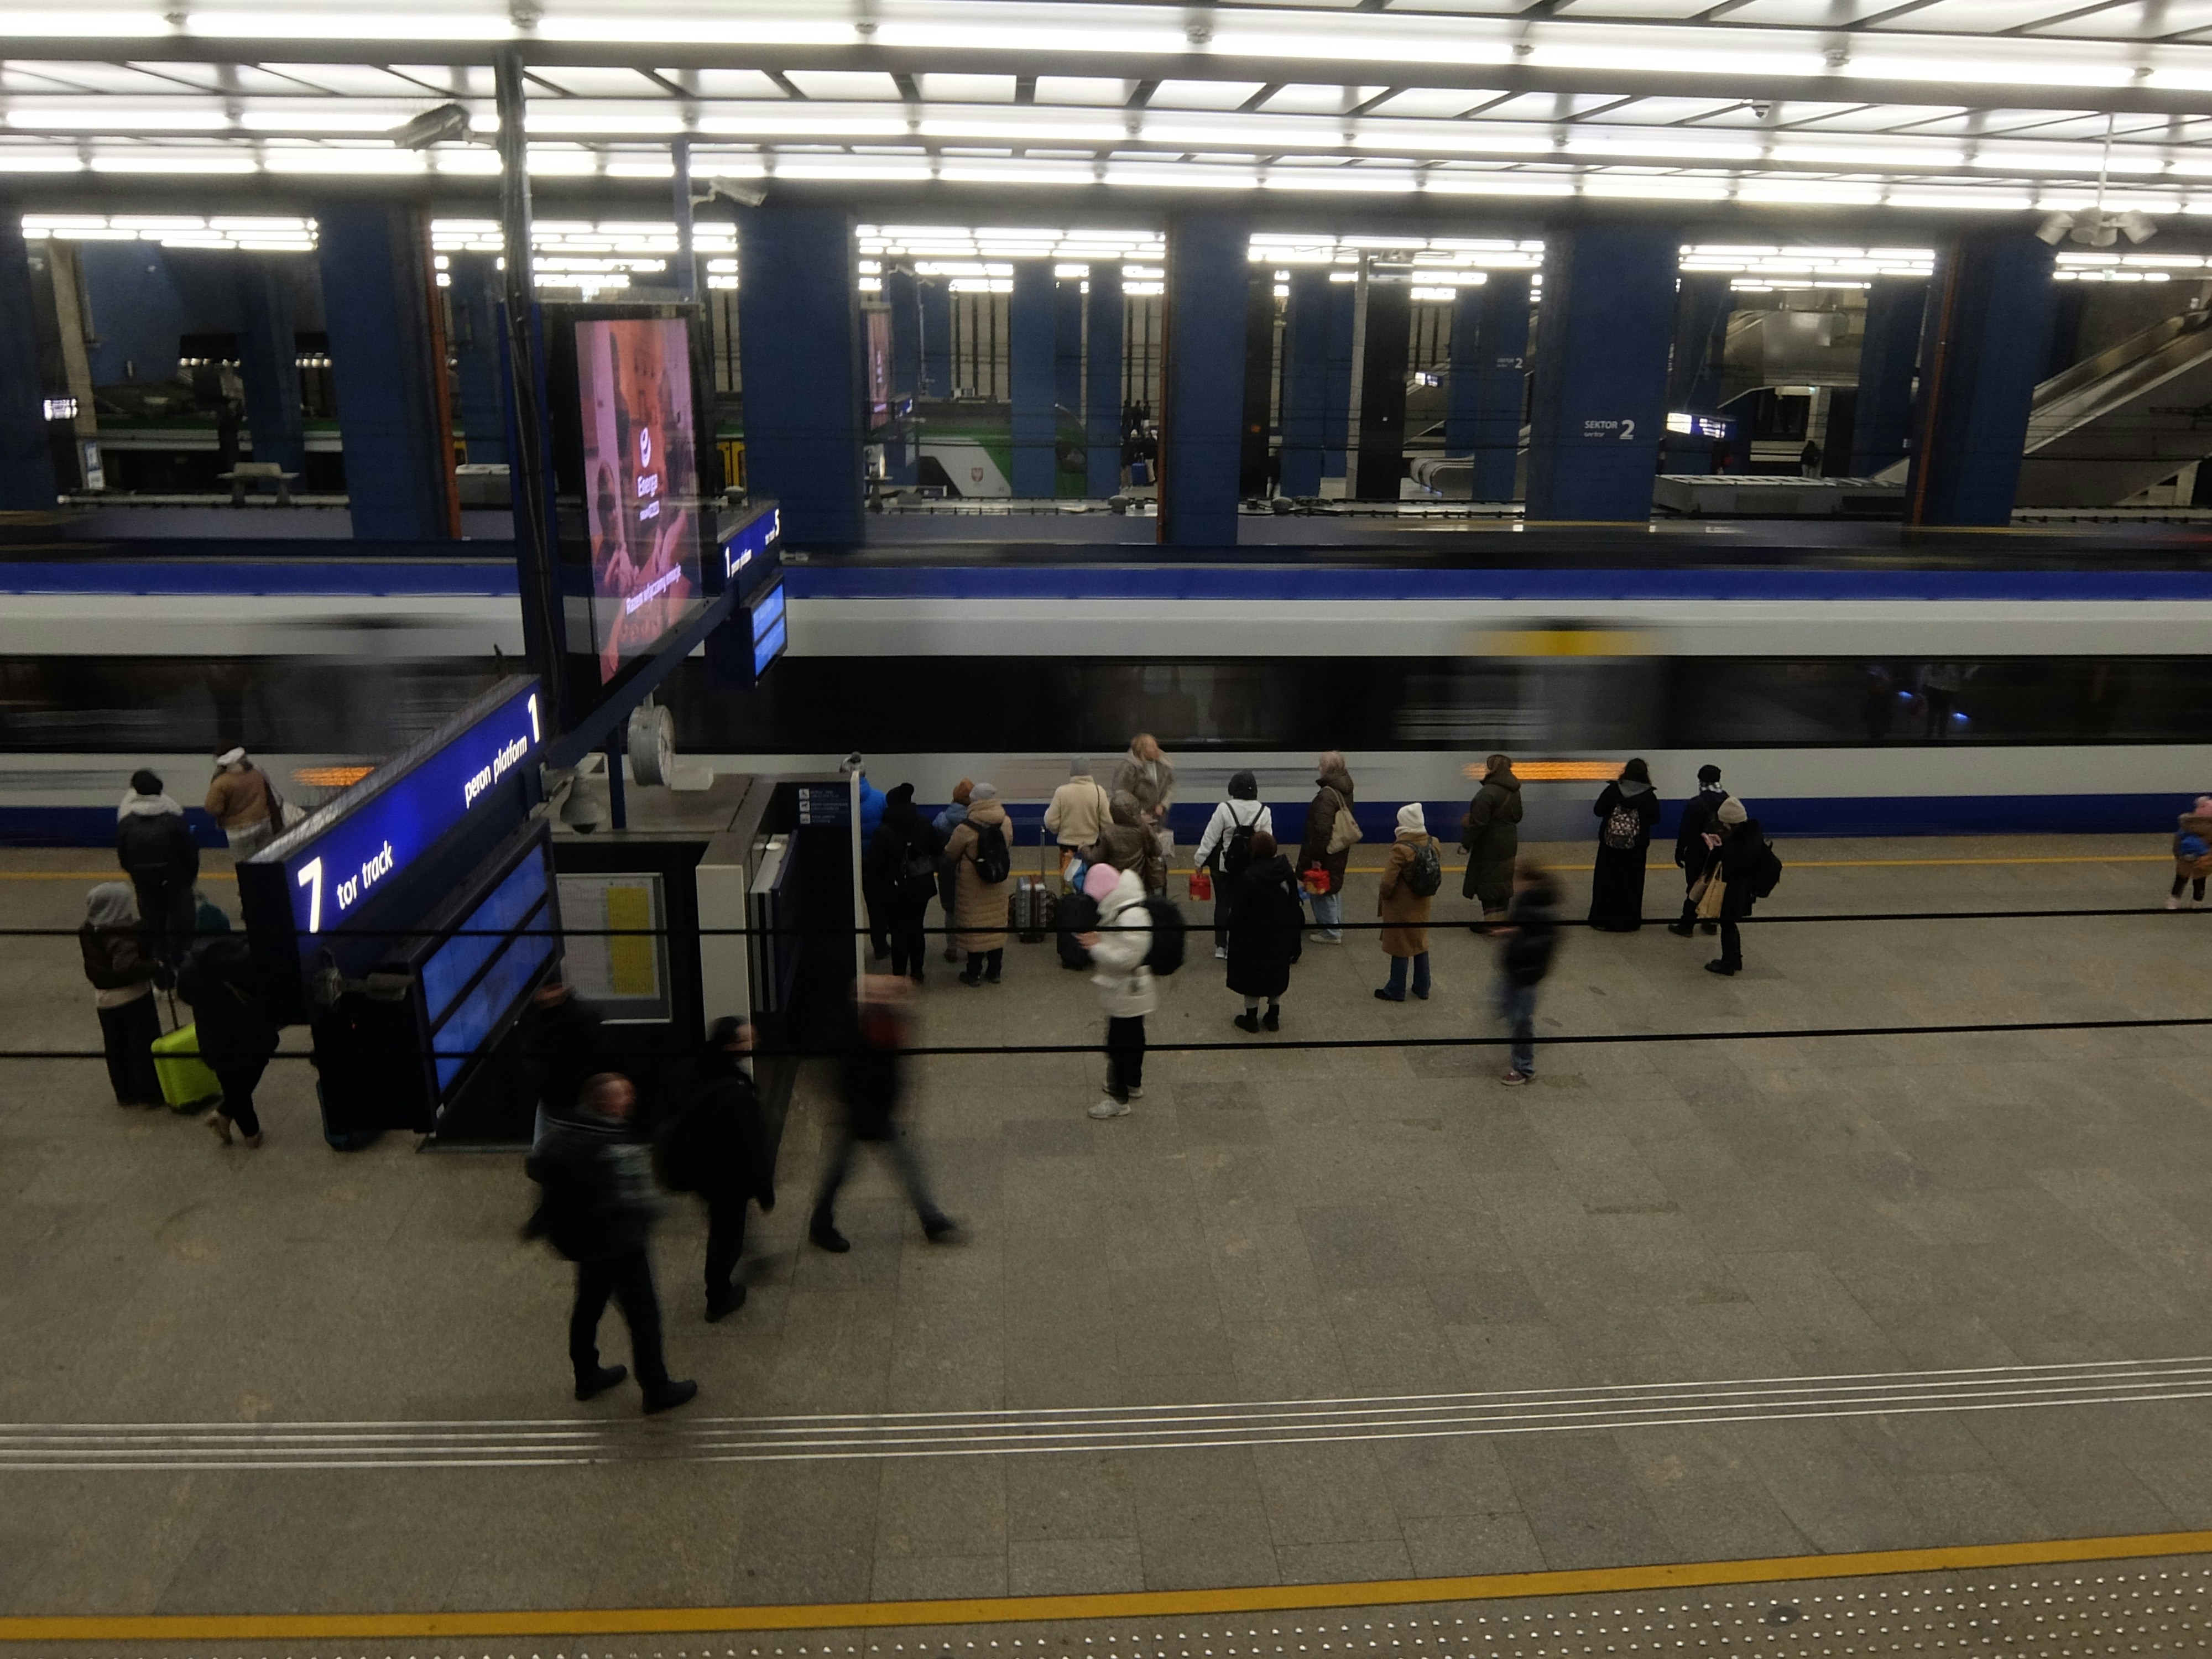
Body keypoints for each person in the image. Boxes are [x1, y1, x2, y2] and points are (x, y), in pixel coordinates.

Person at [526, 1072, 698, 1413]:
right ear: (605, 1102)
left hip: (585, 1244)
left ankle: (587, 1375)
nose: (631, 1101)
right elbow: (644, 1203)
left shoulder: (563, 1135)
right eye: (624, 1096)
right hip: (621, 1245)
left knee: (588, 1309)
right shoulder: (618, 1143)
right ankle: (656, 1388)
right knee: (644, 1317)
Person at [809, 978, 955, 1250]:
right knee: (847, 1170)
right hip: (866, 1117)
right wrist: (869, 1117)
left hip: (873, 1114)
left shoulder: (882, 1029)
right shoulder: (864, 1039)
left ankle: (931, 1218)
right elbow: (853, 1082)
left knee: (886, 1166)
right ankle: (820, 1224)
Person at [664, 1018, 776, 1321]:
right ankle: (719, 1296)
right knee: (727, 1235)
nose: (754, 1044)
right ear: (730, 1046)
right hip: (725, 1178)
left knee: (724, 1225)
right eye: (747, 1040)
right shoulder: (733, 1093)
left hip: (699, 1169)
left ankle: (742, 1262)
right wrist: (764, 1188)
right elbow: (746, 1148)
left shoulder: (693, 1068)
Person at [177, 930, 278, 1147]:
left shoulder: (189, 966)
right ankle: (238, 1125)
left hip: (212, 1036)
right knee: (253, 1070)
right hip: (250, 1030)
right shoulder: (246, 957)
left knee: (230, 1083)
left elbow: (184, 996)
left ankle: (244, 1130)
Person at [80, 883, 165, 1107]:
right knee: (142, 1045)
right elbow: (127, 966)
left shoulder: (89, 929)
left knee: (117, 1046)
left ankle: (125, 1093)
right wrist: (154, 965)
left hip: (104, 999)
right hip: (132, 996)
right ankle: (149, 1094)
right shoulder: (121, 934)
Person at [1084, 864, 1155, 1120]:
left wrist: (1095, 947)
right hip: (1133, 990)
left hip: (1127, 990)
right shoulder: (1126, 908)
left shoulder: (1130, 916)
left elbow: (1127, 957)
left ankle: (1118, 1099)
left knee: (1118, 1045)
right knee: (1134, 1038)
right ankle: (1133, 1083)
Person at [116, 769, 199, 965]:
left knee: (154, 931)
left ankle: (161, 970)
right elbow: (190, 855)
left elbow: (124, 858)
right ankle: (184, 967)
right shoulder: (174, 818)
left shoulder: (126, 820)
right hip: (177, 884)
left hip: (145, 885)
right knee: (184, 931)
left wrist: (139, 877)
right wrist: (188, 879)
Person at [1226, 829, 1301, 1033]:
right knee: (1277, 974)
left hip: (1253, 939)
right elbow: (1294, 906)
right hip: (1280, 937)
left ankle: (1251, 1018)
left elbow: (1238, 913)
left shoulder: (1248, 877)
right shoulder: (1286, 872)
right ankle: (1273, 1016)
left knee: (1251, 978)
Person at [1493, 858, 1561, 1086]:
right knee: (1505, 1006)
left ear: (1531, 882)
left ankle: (1524, 1068)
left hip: (1527, 972)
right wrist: (1507, 931)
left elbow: (1542, 941)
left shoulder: (1542, 910)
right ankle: (1522, 1042)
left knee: (1521, 1020)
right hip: (1515, 967)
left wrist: (1515, 936)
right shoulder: (1526, 901)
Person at [1192, 770, 1272, 961]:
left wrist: (1199, 861)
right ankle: (1240, 944)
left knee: (1223, 905)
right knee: (1246, 906)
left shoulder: (1224, 809)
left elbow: (1210, 838)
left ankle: (1221, 947)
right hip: (1251, 869)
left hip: (1224, 866)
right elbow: (1267, 843)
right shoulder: (1264, 811)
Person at [867, 784, 941, 981]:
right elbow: (937, 849)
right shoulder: (924, 823)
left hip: (893, 890)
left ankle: (899, 975)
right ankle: (917, 972)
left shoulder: (883, 831)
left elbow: (873, 864)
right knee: (917, 928)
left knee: (898, 933)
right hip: (921, 887)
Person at [944, 781, 1013, 985]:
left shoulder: (966, 828)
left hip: (972, 885)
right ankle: (994, 971)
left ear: (974, 801)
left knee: (975, 927)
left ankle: (973, 974)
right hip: (997, 879)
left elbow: (951, 852)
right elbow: (1008, 845)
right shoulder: (1006, 822)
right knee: (995, 924)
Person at [517, 974, 605, 1132]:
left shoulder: (581, 1016)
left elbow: (593, 1057)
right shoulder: (532, 1015)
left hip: (576, 1093)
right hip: (550, 1092)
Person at [1375, 802, 1441, 1002]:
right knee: (1420, 943)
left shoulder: (1401, 849)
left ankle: (1395, 989)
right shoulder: (1434, 843)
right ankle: (1423, 987)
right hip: (1423, 903)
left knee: (1400, 946)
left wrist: (1385, 897)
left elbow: (1387, 882)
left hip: (1401, 906)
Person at [1588, 759, 1662, 932]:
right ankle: (1628, 921)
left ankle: (1602, 919)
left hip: (1610, 845)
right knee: (1631, 883)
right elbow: (1655, 819)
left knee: (1606, 880)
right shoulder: (1649, 796)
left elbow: (1598, 810)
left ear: (1626, 771)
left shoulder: (1612, 790)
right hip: (1635, 848)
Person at [1700, 796, 1769, 976]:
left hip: (1735, 889)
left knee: (1727, 923)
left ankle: (1728, 963)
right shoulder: (1752, 834)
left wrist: (1716, 848)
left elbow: (1732, 865)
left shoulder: (1737, 843)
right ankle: (1735, 958)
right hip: (1746, 887)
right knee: (1730, 923)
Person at [1297, 753, 1358, 943]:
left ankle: (1331, 932)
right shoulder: (1344, 787)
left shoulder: (1326, 795)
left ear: (1329, 769)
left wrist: (1316, 857)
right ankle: (1334, 924)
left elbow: (1321, 831)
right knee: (1332, 887)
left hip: (1325, 851)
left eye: (1321, 765)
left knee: (1322, 888)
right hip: (1337, 848)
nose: (1319, 768)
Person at [1459, 754, 1522, 931]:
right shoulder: (1514, 790)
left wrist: (1466, 844)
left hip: (1490, 844)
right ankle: (1502, 921)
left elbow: (1478, 824)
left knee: (1488, 883)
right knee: (1503, 881)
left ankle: (1492, 924)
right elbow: (1518, 816)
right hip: (1509, 842)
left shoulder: (1487, 793)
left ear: (1492, 769)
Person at [1670, 765, 1731, 937]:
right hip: (1721, 851)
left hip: (1698, 851)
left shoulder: (1696, 803)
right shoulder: (1728, 801)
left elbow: (1686, 830)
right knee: (1716, 885)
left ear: (1701, 780)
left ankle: (1687, 925)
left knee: (1695, 885)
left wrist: (1679, 851)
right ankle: (1710, 922)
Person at [1043, 759, 1114, 879]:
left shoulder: (1062, 792)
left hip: (1067, 848)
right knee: (1091, 882)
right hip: (1092, 848)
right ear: (1089, 772)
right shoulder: (1099, 791)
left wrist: (1060, 830)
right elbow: (1108, 822)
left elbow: (1050, 821)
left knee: (1068, 883)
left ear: (1072, 772)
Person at [204, 747, 279, 859]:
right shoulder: (256, 773)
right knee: (266, 859)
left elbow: (213, 809)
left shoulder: (221, 782)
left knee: (244, 863)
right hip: (263, 822)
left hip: (239, 831)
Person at [1087, 789, 1164, 894]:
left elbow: (1095, 859)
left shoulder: (1108, 832)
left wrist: (1083, 848)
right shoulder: (1144, 828)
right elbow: (1157, 851)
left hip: (1114, 885)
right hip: (1140, 883)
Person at [932, 779, 973, 964]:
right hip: (971, 870)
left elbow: (934, 848)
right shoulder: (977, 821)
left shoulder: (941, 821)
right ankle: (974, 948)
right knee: (973, 909)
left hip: (947, 870)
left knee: (951, 909)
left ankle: (952, 948)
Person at [856, 773, 889, 957]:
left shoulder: (839, 799)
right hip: (875, 860)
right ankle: (880, 946)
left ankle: (850, 949)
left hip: (849, 860)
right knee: (876, 906)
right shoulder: (880, 797)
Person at [2171, 795, 2212, 910]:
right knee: (2200, 881)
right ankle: (2197, 902)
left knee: (2181, 879)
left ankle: (2174, 901)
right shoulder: (2210, 829)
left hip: (2186, 857)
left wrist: (2178, 856)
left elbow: (2177, 843)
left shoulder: (2187, 825)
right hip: (2204, 859)